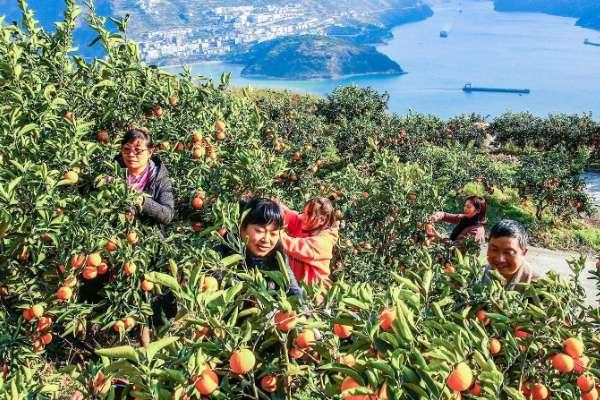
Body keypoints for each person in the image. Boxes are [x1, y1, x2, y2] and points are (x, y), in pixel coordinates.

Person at [217, 197, 303, 297]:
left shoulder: (278, 254)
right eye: (259, 231)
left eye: (273, 234)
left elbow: (293, 289)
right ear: (242, 228)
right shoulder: (222, 251)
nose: (266, 239)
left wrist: (303, 309)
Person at [117, 127, 175, 228]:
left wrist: (143, 202)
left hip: (149, 239)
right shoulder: (113, 172)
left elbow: (167, 215)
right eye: (126, 149)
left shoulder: (159, 178)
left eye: (138, 150)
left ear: (150, 152)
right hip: (115, 238)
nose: (131, 154)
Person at [275, 197, 339, 286]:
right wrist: (277, 206)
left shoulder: (323, 243)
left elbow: (290, 244)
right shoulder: (307, 225)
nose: (303, 217)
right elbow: (292, 215)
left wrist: (270, 231)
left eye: (308, 214)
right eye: (304, 212)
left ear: (322, 220)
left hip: (313, 294)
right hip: (297, 288)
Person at [481, 219, 541, 292]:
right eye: (494, 249)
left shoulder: (537, 285)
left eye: (508, 252)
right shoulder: (478, 274)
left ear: (524, 252)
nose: (500, 259)